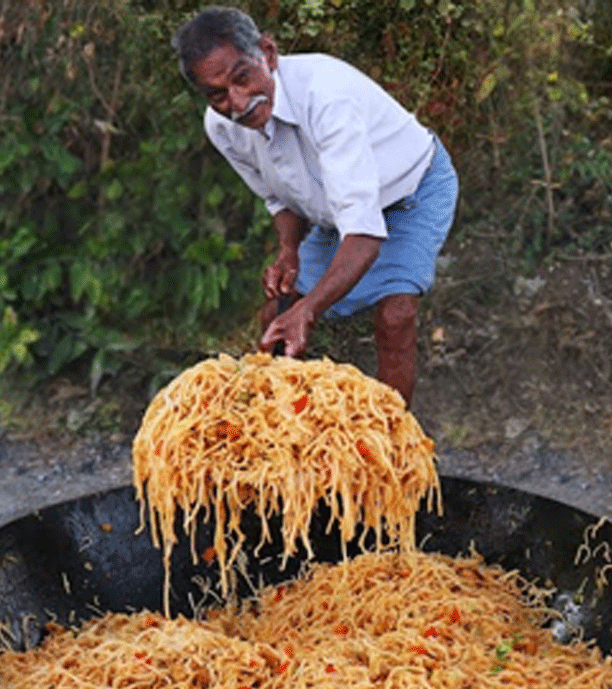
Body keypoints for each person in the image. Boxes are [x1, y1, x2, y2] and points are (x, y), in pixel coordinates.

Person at [171, 6, 458, 406]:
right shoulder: (222, 127)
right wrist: (288, 251)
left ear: (268, 53)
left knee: (395, 316)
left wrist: (309, 309)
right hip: (336, 211)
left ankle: (389, 439)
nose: (237, 102)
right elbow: (278, 197)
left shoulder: (326, 96)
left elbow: (364, 234)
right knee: (275, 316)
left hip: (411, 192)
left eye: (242, 77)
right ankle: (279, 426)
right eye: (217, 94)